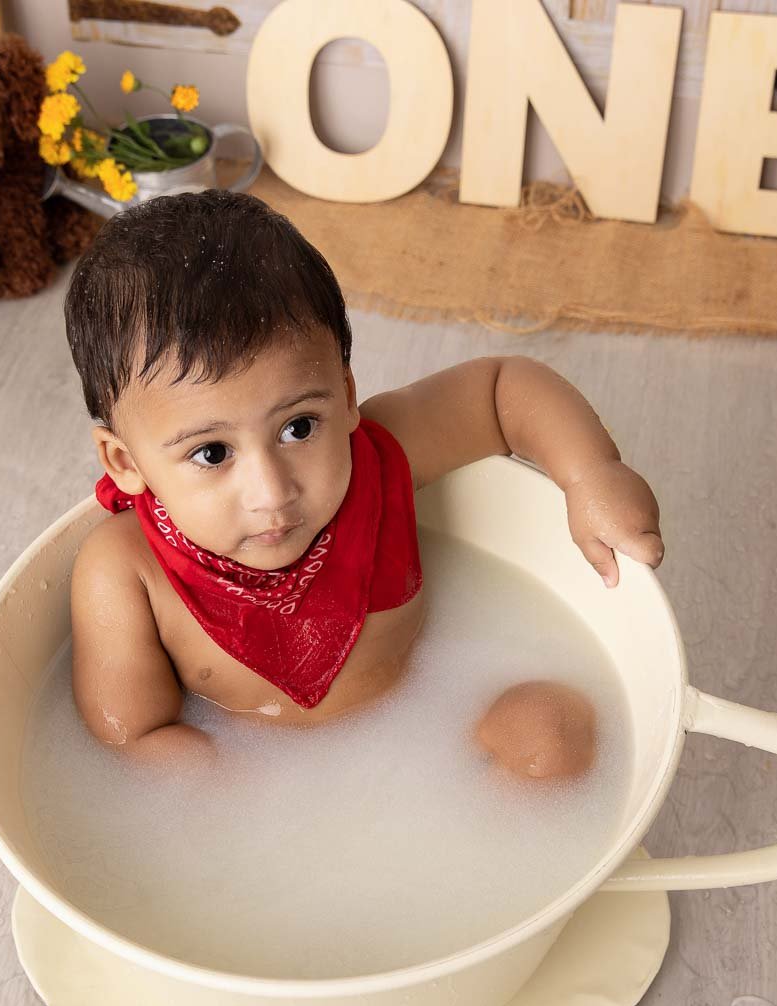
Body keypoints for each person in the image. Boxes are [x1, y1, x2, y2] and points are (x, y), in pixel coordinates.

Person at [63, 191, 662, 777]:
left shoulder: (381, 453)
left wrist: (590, 473)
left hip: (444, 728)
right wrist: (235, 802)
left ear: (346, 397)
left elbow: (502, 388)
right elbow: (132, 733)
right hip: (265, 780)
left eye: (299, 426)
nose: (271, 492)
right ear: (125, 462)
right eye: (212, 452)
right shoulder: (124, 570)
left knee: (549, 734)